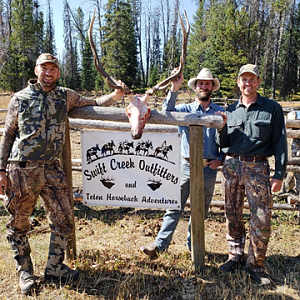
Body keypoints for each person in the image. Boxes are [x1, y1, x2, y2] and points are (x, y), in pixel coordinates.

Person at [0, 53, 125, 294]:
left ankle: (55, 267)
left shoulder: (65, 96)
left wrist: (116, 95)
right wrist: (1, 169)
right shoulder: (20, 98)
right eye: (44, 68)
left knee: (64, 218)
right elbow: (7, 135)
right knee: (18, 222)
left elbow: (95, 103)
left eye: (53, 69)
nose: (49, 73)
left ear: (58, 72)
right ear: (36, 70)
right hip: (23, 169)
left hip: (53, 169)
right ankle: (25, 272)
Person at [140, 68, 224, 258]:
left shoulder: (220, 111)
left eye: (207, 83)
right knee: (174, 206)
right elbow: (165, 112)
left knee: (200, 209)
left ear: (212, 87)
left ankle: (194, 245)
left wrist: (220, 159)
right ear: (195, 87)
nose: (204, 86)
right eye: (201, 83)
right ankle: (160, 245)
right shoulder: (185, 109)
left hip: (208, 167)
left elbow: (228, 138)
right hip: (186, 165)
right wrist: (175, 87)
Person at [216, 64, 287, 286]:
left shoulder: (272, 108)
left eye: (252, 79)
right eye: (243, 80)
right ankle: (235, 255)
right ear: (238, 83)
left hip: (258, 169)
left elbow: (280, 142)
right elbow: (224, 144)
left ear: (258, 81)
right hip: (232, 167)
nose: (248, 83)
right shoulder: (229, 110)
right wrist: (222, 128)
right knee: (232, 214)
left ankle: (256, 265)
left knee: (261, 217)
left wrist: (279, 174)